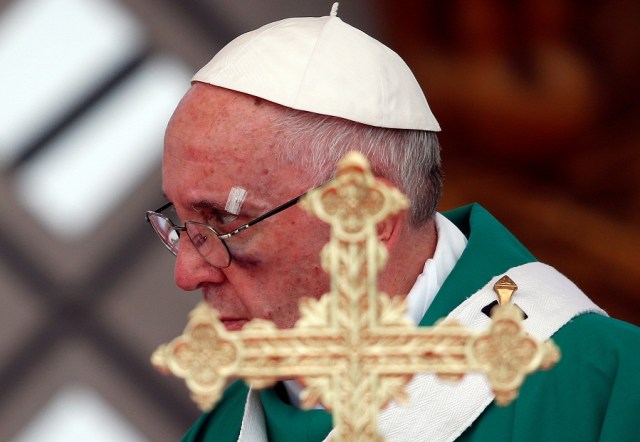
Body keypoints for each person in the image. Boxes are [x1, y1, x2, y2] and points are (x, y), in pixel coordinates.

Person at [146, 4, 640, 441]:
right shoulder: (219, 433)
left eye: (225, 225)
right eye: (180, 225)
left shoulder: (605, 386)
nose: (187, 274)